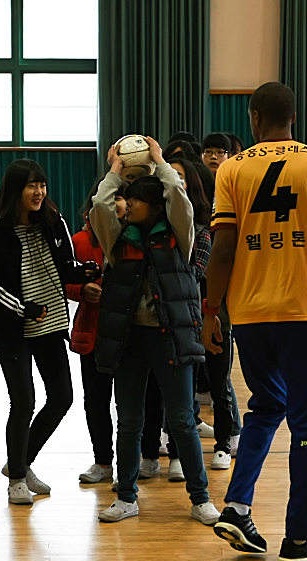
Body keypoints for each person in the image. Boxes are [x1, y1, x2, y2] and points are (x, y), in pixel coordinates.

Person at [202, 82, 307, 561]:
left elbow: (224, 249)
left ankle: (236, 507)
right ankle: (299, 539)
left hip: (251, 315)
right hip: (305, 315)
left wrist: (212, 312)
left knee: (266, 405)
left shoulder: (233, 168)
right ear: (293, 117)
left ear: (254, 117)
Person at [90, 136, 220, 525]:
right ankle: (126, 497)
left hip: (170, 337)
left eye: (136, 203)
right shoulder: (118, 239)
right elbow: (100, 205)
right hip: (132, 339)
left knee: (181, 419)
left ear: (155, 206)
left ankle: (200, 499)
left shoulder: (180, 236)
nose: (127, 208)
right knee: (129, 419)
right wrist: (115, 170)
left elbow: (180, 197)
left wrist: (160, 163)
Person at [0, 159, 99, 505]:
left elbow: (64, 268)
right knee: (24, 401)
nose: (39, 192)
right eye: (31, 186)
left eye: (42, 185)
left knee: (61, 397)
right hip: (13, 328)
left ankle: (21, 461)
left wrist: (84, 273)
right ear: (15, 190)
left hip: (50, 325)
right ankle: (16, 478)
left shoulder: (53, 222)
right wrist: (23, 308)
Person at [139, 156, 213, 483]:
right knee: (147, 400)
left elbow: (194, 273)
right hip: (147, 330)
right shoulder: (137, 233)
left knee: (181, 408)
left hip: (181, 325)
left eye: (181, 177)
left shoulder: (190, 230)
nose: (175, 183)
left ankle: (181, 461)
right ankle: (149, 455)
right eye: (171, 177)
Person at [71, 180, 124, 485]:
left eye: (119, 197)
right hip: (91, 333)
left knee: (128, 403)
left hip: (128, 335)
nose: (114, 203)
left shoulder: (131, 238)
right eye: (108, 197)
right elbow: (64, 280)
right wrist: (81, 290)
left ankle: (139, 460)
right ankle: (102, 462)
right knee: (95, 400)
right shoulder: (79, 241)